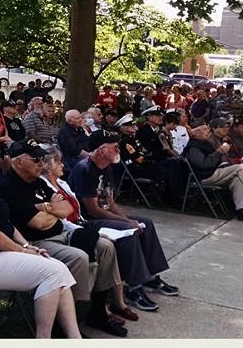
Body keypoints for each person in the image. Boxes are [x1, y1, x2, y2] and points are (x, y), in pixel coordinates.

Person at [0, 136, 81, 339]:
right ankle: (44, 339)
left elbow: (7, 225)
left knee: (58, 270)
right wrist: (23, 250)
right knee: (53, 272)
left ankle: (74, 338)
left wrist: (27, 245)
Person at [0, 140, 126, 336]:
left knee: (106, 246)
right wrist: (51, 208)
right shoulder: (8, 187)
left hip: (61, 233)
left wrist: (46, 209)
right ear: (19, 162)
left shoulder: (38, 182)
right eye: (36, 158)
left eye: (42, 157)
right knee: (78, 256)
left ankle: (98, 311)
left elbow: (68, 208)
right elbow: (37, 223)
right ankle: (64, 323)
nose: (41, 162)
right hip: (36, 242)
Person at [68, 132, 179, 313]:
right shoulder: (85, 170)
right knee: (129, 230)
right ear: (103, 150)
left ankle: (150, 276)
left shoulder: (107, 167)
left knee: (146, 223)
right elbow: (93, 210)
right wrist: (126, 222)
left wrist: (128, 218)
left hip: (103, 214)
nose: (119, 150)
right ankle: (134, 288)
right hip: (88, 221)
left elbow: (110, 203)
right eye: (115, 147)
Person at [38, 146, 138, 324]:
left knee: (113, 244)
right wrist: (82, 229)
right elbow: (60, 217)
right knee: (103, 246)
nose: (63, 165)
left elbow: (72, 210)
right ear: (47, 166)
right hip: (68, 230)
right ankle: (86, 308)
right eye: (59, 162)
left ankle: (114, 303)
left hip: (80, 225)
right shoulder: (43, 186)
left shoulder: (63, 184)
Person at [183, 124, 243, 223]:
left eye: (207, 128)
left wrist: (222, 153)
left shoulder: (205, 144)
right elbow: (204, 164)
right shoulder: (193, 148)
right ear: (195, 134)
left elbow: (216, 160)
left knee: (236, 180)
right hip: (205, 176)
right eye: (204, 129)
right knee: (237, 168)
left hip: (214, 171)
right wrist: (219, 152)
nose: (208, 131)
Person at [131, 107, 191, 199]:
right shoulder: (143, 131)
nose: (161, 117)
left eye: (161, 115)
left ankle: (184, 193)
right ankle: (174, 197)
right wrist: (167, 157)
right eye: (157, 115)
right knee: (174, 164)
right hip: (149, 163)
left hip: (160, 161)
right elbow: (149, 151)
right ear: (149, 117)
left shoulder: (158, 130)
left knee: (182, 163)